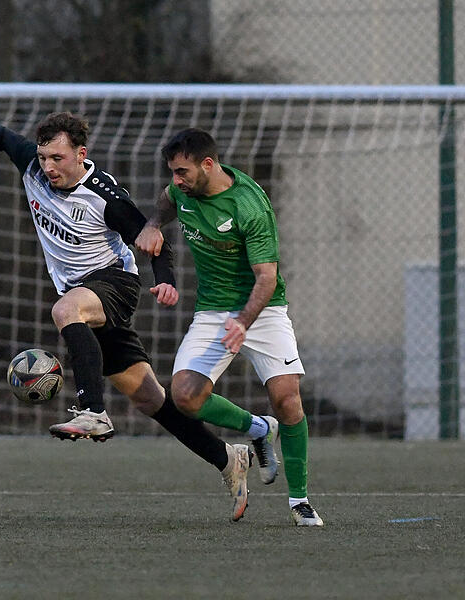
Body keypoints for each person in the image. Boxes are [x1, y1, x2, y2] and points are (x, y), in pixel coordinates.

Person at [0, 112, 277, 521]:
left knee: (64, 310)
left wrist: (165, 280)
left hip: (114, 284)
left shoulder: (105, 196)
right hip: (83, 295)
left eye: (58, 159)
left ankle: (93, 411)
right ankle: (227, 459)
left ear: (81, 154)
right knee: (150, 398)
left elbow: (153, 239)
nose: (48, 167)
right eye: (43, 157)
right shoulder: (33, 165)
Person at [135, 128, 323, 527]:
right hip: (213, 312)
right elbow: (167, 202)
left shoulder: (249, 205)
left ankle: (299, 501)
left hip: (263, 308)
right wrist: (153, 223)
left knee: (287, 399)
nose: (176, 180)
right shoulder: (183, 190)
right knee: (184, 395)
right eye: (172, 171)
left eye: (182, 171)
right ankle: (257, 429)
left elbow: (267, 278)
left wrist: (243, 322)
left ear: (208, 164)